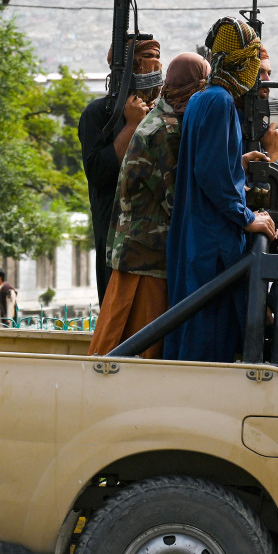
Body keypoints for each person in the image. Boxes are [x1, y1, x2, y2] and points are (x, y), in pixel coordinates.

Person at [164, 17, 277, 363]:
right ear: (243, 63)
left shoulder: (202, 99)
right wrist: (248, 219)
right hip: (212, 244)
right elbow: (211, 174)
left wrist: (237, 161)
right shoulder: (221, 102)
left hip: (195, 237)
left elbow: (209, 162)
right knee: (209, 343)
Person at [88, 52, 211, 359]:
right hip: (145, 264)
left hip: (143, 259)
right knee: (133, 358)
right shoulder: (164, 131)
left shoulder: (163, 120)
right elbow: (178, 201)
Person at [79, 39, 163, 304]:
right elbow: (98, 173)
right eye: (148, 57)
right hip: (115, 241)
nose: (156, 65)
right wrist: (131, 126)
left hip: (156, 244)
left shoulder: (164, 115)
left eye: (157, 57)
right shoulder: (98, 114)